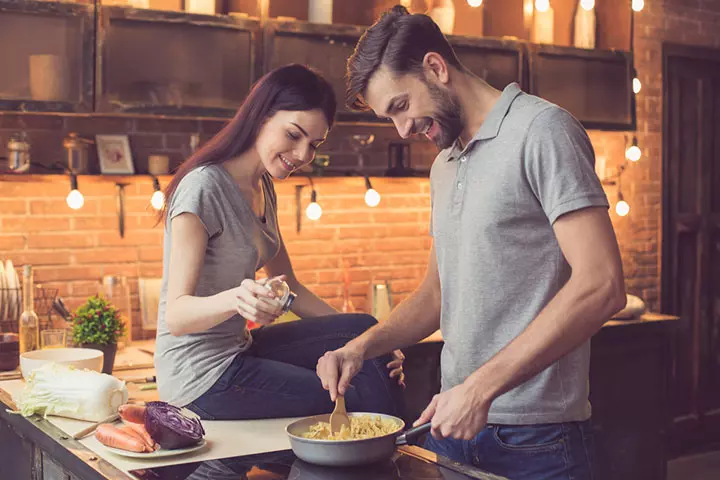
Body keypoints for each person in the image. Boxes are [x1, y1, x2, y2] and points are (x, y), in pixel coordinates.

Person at [316, 6, 626, 479]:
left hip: (538, 439)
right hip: (452, 428)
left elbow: (602, 284)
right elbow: (436, 297)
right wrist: (361, 347)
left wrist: (479, 390)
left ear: (436, 69)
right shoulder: (445, 164)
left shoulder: (542, 132)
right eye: (389, 117)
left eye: (401, 106)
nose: (402, 130)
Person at [154, 64, 405, 421]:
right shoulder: (204, 187)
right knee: (353, 392)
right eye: (293, 135)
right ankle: (391, 459)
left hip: (240, 350)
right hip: (201, 377)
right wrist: (237, 299)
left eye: (313, 144)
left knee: (363, 327)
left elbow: (291, 288)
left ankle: (394, 451)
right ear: (260, 117)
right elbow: (176, 316)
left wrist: (372, 344)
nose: (303, 155)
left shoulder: (263, 186)